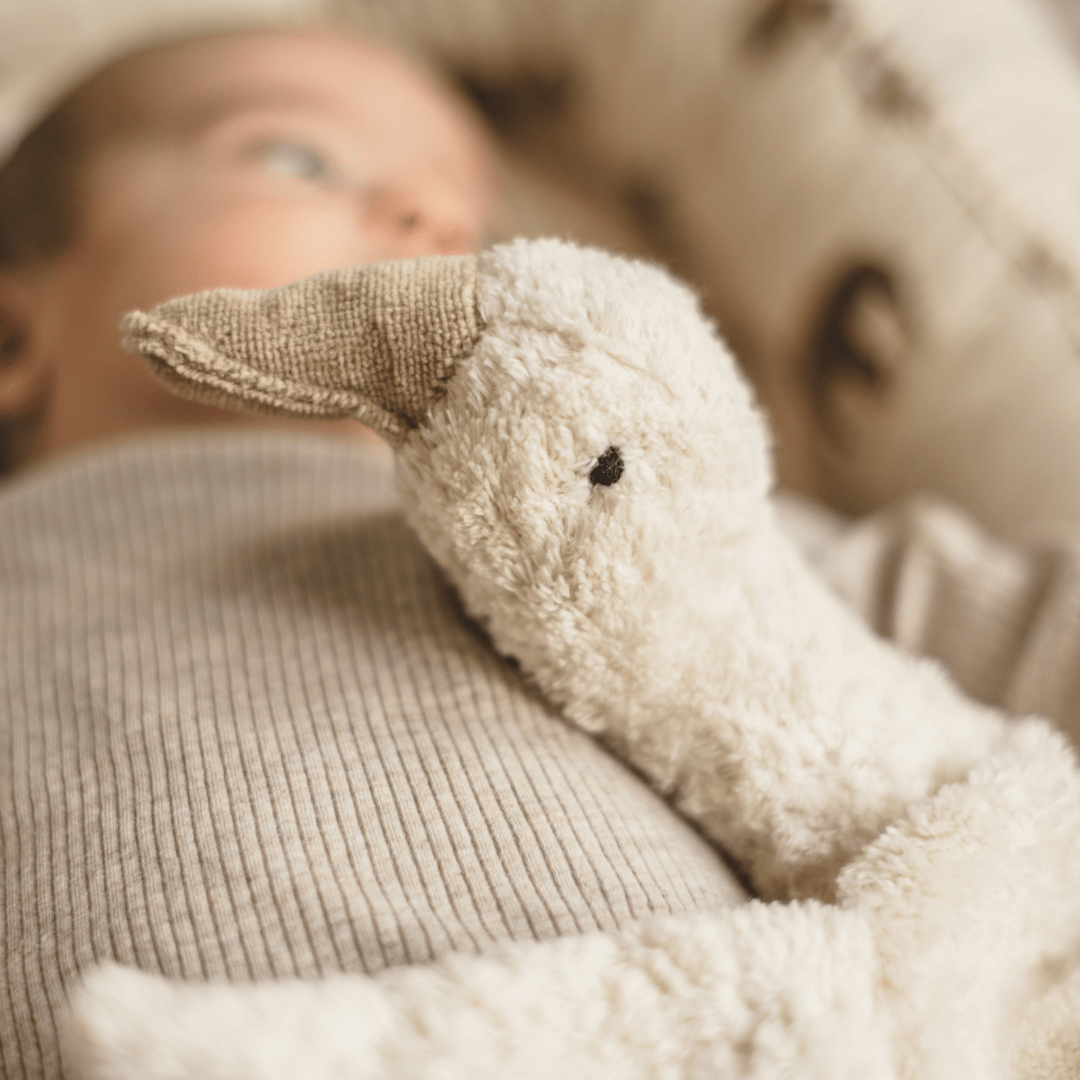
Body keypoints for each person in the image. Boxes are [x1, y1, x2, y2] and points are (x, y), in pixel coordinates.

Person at [0, 27, 748, 1080]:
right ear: (11, 338)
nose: (432, 222)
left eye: (471, 231)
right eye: (301, 158)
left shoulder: (565, 491)